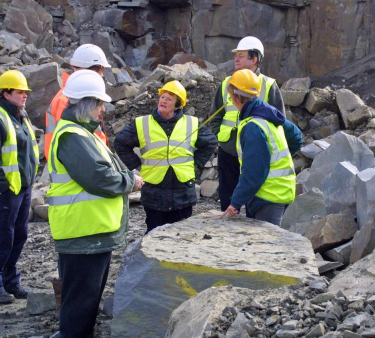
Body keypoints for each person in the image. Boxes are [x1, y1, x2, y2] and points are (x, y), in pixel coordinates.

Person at [46, 70, 143, 338]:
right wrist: (130, 182)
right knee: (80, 302)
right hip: (83, 232)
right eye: (100, 103)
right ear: (88, 103)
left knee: (86, 300)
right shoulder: (73, 136)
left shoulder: (82, 133)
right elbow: (98, 177)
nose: (102, 109)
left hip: (92, 231)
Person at [114, 80, 217, 233]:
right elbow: (120, 143)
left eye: (169, 99)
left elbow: (210, 142)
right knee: (154, 234)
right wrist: (136, 165)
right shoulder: (142, 123)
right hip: (154, 191)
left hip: (182, 190)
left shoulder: (191, 123)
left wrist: (196, 164)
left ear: (178, 104)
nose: (163, 101)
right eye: (162, 97)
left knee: (182, 236)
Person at [0, 70, 39, 303]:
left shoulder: (21, 118)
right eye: (19, 92)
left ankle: (10, 283)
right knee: (1, 237)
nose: (24, 95)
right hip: (5, 192)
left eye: (25, 92)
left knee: (19, 235)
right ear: (6, 94)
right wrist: (2, 187)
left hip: (22, 188)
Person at [209, 36, 285, 212]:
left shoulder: (268, 85)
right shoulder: (225, 85)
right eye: (237, 55)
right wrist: (219, 141)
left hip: (255, 153)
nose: (236, 59)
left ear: (255, 59)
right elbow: (214, 117)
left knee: (255, 203)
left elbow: (280, 122)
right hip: (228, 152)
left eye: (241, 56)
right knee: (227, 203)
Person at [220, 69, 302, 226]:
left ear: (237, 96)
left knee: (266, 247)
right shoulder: (268, 114)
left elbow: (254, 172)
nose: (230, 99)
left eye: (231, 96)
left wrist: (235, 202)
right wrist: (276, 159)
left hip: (268, 196)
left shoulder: (254, 126)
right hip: (276, 192)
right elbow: (296, 136)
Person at [44, 43, 111, 160]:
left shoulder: (78, 95)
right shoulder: (67, 98)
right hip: (77, 168)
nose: (102, 77)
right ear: (93, 71)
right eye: (101, 72)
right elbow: (71, 142)